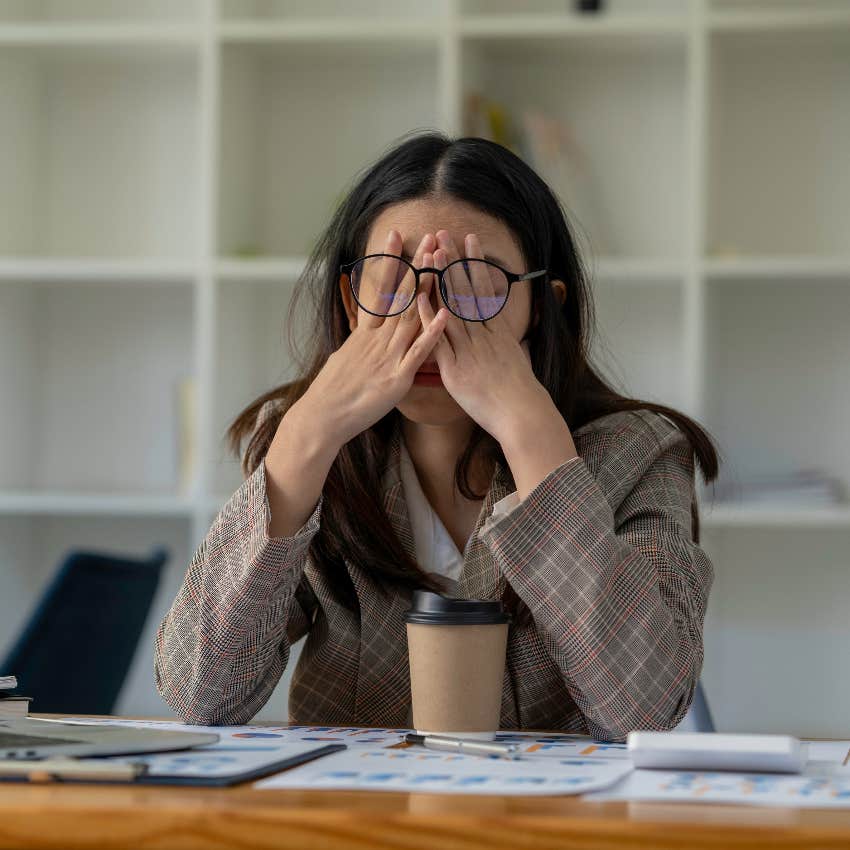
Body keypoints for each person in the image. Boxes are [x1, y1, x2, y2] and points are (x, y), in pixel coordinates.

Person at [154, 131, 720, 742]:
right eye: (393, 280)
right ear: (351, 301)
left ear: (543, 307)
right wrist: (305, 438)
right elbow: (200, 694)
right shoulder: (307, 446)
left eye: (474, 282)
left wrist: (535, 441)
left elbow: (645, 710)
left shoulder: (640, 453)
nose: (428, 319)